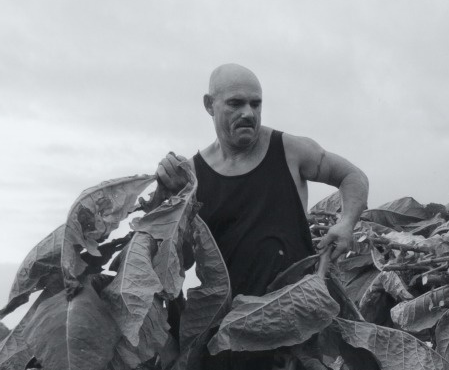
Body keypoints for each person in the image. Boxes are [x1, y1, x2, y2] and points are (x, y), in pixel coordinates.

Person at [154, 62, 369, 296]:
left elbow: (353, 176)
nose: (248, 113)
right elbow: (183, 261)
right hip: (228, 321)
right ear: (209, 105)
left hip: (295, 311)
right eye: (235, 103)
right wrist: (171, 198)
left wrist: (346, 224)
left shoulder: (289, 151)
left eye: (255, 104)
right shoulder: (194, 176)